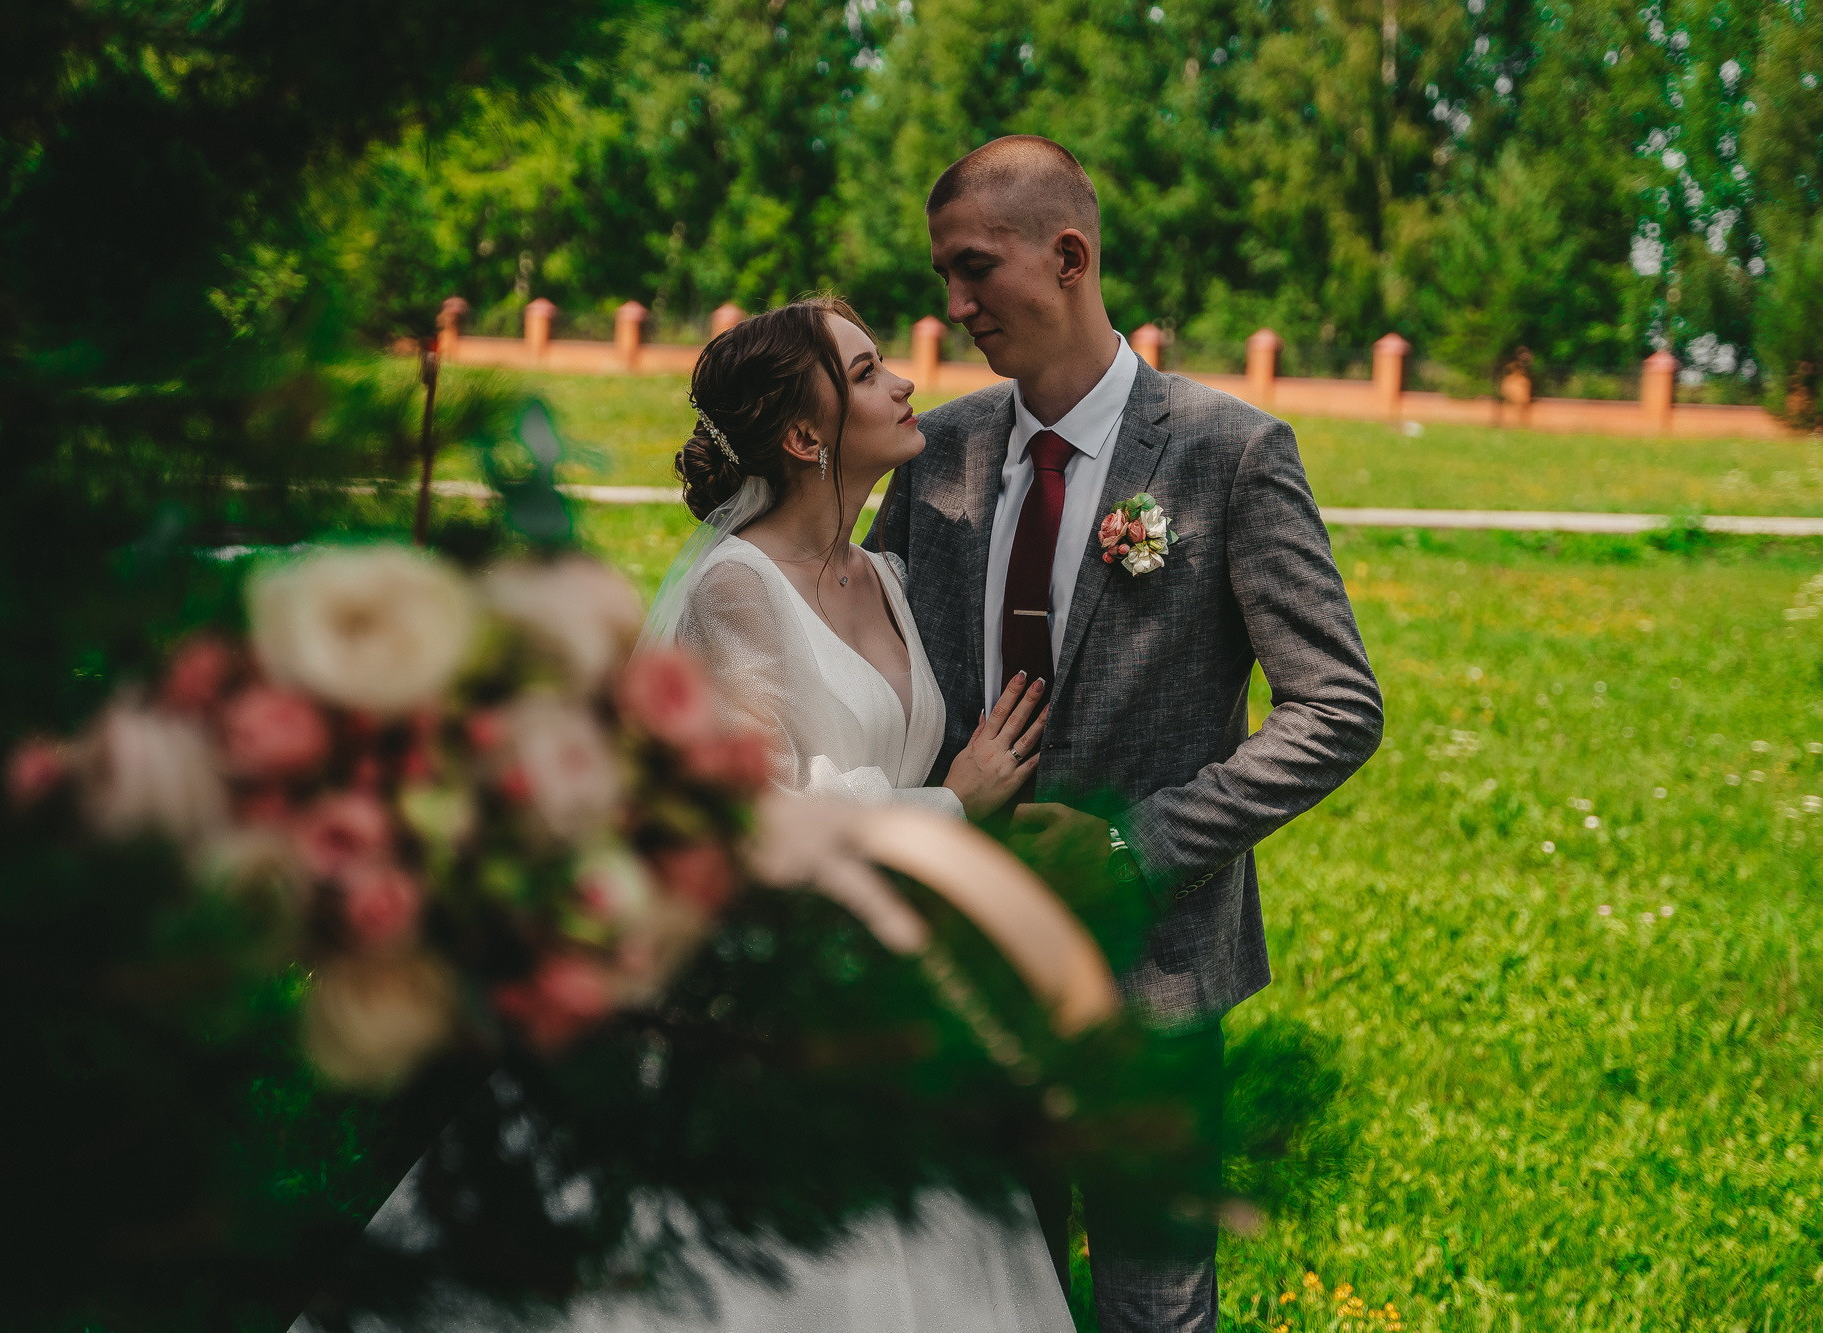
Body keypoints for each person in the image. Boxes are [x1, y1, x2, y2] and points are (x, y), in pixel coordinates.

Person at [294, 296, 1075, 1333]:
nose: (902, 382)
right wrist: (952, 805)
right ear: (805, 435)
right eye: (866, 369)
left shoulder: (882, 574)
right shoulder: (736, 590)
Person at [865, 136, 1384, 1333]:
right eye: (943, 273)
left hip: (1150, 970)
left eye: (973, 267)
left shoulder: (1226, 453)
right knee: (997, 1294)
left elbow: (1337, 706)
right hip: (967, 961)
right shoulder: (934, 453)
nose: (951, 303)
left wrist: (1129, 848)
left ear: (1067, 255)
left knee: (1153, 1305)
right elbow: (877, 666)